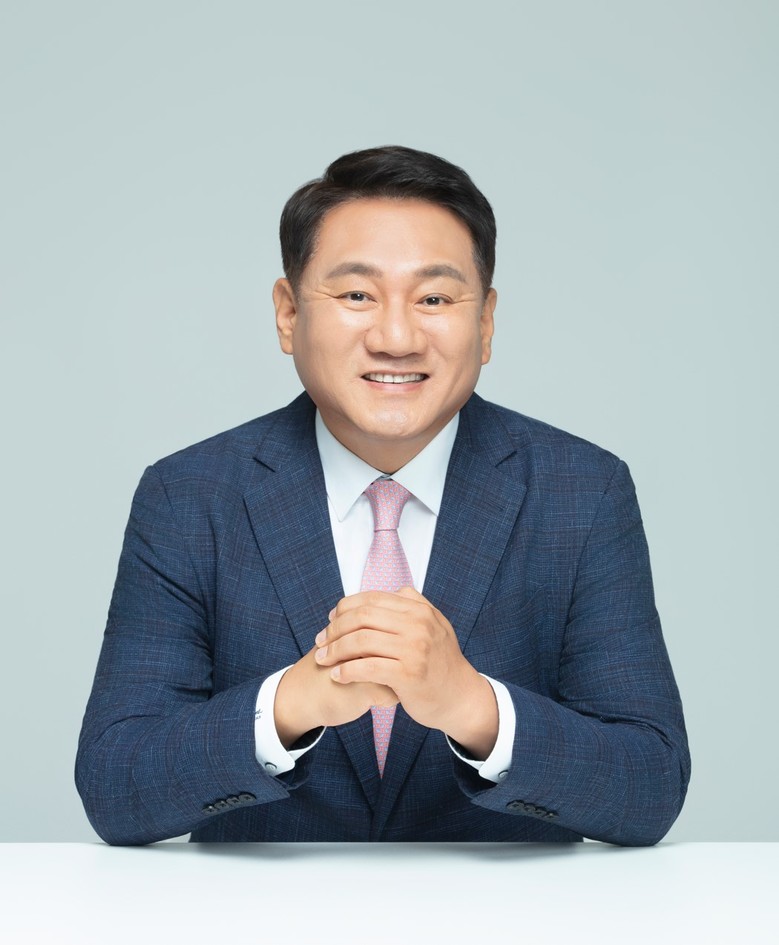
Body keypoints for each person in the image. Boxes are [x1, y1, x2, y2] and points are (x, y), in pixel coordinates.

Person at [76, 145, 690, 845]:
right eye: (356, 296)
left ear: (485, 322)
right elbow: (115, 787)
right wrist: (290, 704)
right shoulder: (189, 495)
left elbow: (650, 786)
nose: (397, 338)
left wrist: (473, 707)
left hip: (507, 905)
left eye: (434, 299)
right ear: (288, 313)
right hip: (260, 905)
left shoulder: (581, 490)